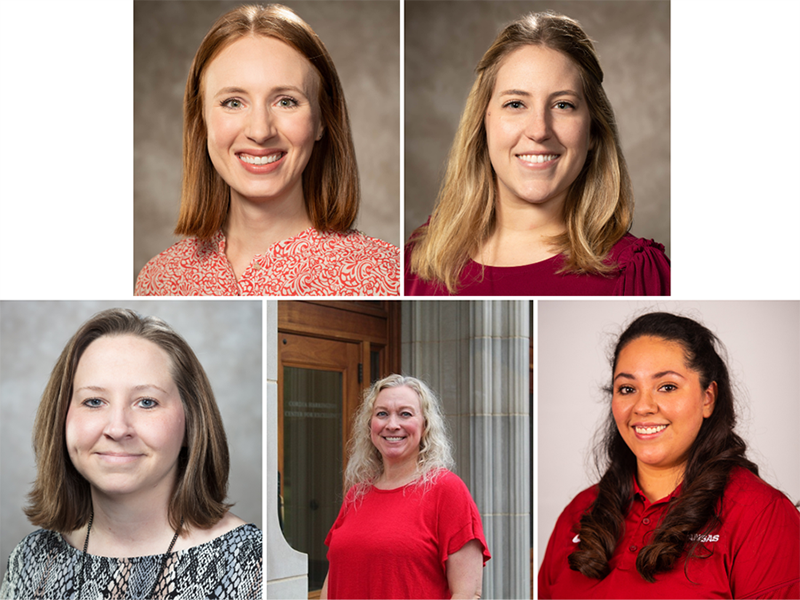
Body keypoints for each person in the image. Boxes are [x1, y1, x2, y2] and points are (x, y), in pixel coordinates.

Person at [135, 4, 399, 296]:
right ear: (201, 122)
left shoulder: (386, 275)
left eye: (286, 101)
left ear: (322, 120)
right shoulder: (158, 279)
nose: (260, 132)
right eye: (233, 102)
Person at [0, 308, 262, 599]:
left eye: (147, 402)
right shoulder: (32, 560)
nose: (117, 428)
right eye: (94, 401)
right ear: (61, 418)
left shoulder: (253, 564)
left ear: (191, 423)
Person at [405, 12, 670, 296]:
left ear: (593, 130)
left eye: (563, 105)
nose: (539, 130)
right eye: (516, 104)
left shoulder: (636, 273)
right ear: (483, 122)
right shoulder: (421, 260)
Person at [538, 312, 800, 598]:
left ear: (707, 398)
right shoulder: (579, 513)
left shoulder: (763, 516)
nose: (643, 406)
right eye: (627, 389)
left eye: (667, 387)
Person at [322, 375, 490, 599]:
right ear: (370, 425)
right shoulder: (357, 494)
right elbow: (333, 578)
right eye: (382, 414)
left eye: (405, 414)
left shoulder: (447, 490)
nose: (392, 425)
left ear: (425, 424)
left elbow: (468, 594)